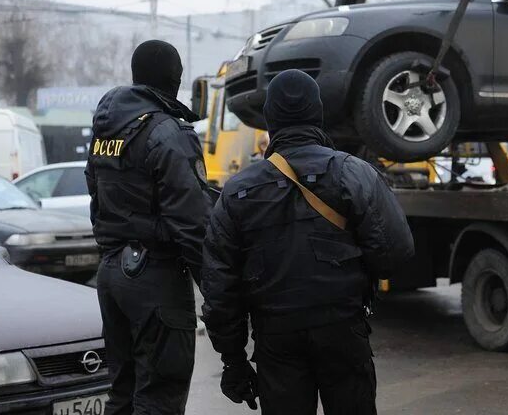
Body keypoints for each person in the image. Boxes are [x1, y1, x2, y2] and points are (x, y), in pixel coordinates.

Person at [202, 69, 415, 415]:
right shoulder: (353, 173)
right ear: (318, 114)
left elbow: (220, 288)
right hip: (344, 331)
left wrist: (233, 361)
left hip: (276, 340)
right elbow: (396, 252)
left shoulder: (237, 191)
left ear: (270, 121)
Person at [85, 40, 213, 415]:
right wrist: (219, 294)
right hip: (155, 278)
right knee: (159, 395)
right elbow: (193, 225)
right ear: (175, 80)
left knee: (123, 393)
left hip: (111, 274)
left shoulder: (106, 129)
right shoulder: (168, 133)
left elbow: (96, 197)